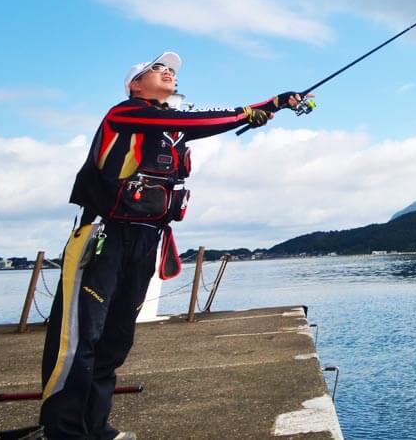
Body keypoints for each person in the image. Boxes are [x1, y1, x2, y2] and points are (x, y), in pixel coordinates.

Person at [40, 51, 307, 440]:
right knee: (81, 337)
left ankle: (95, 427)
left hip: (148, 239)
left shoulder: (171, 130)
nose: (167, 72)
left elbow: (193, 125)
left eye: (171, 70)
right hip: (105, 237)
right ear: (135, 84)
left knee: (117, 338)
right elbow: (194, 120)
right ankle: (63, 431)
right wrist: (265, 105)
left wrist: (268, 110)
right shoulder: (126, 113)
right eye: (156, 69)